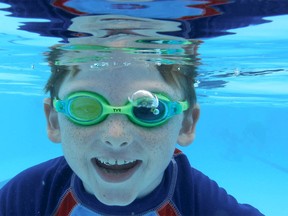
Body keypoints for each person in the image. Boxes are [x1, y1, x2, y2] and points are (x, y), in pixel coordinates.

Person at [0, 14, 264, 216]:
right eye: (87, 108)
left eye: (150, 110)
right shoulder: (34, 193)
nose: (116, 137)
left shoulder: (194, 198)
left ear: (186, 123)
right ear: (54, 120)